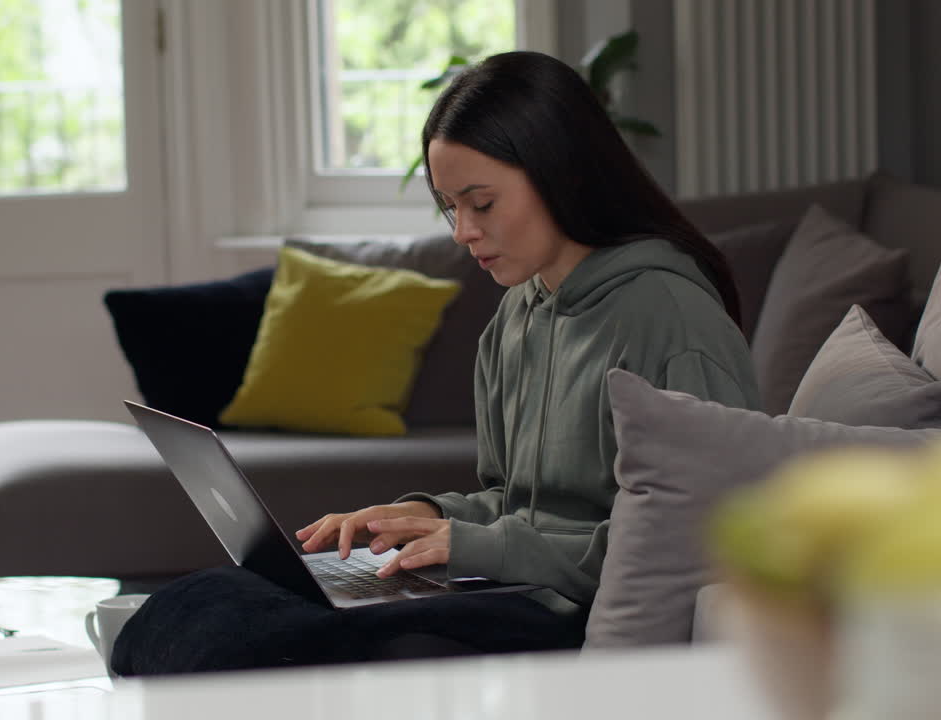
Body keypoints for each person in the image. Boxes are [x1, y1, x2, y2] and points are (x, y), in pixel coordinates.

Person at [111, 50, 760, 675]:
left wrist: (478, 544)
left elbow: (702, 541)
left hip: (580, 619)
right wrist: (421, 515)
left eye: (481, 204)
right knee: (211, 599)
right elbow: (518, 503)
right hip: (517, 592)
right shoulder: (519, 313)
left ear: (564, 173)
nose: (462, 232)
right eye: (450, 208)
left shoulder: (671, 317)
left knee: (260, 643)